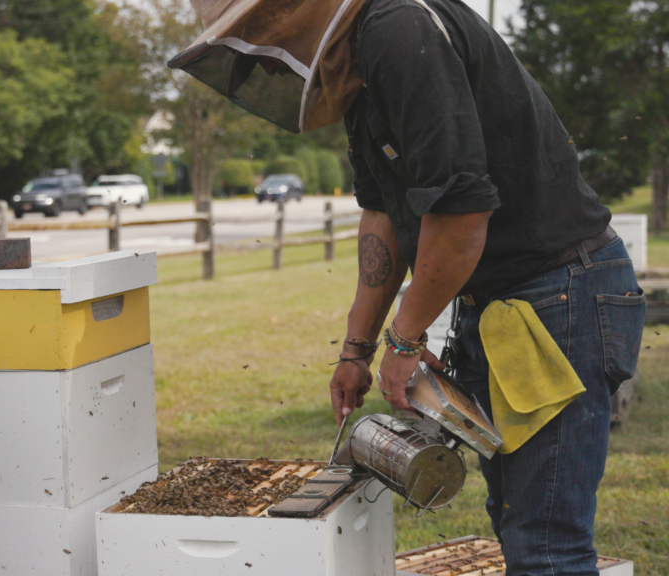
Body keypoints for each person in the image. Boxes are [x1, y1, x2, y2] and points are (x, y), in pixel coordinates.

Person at [170, 0, 646, 574]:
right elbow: (382, 214)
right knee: (521, 517)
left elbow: (463, 215)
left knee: (546, 543)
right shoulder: (363, 65)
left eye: (260, 29)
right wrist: (356, 349)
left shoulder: (399, 28)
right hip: (509, 302)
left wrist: (403, 340)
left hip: (556, 296)